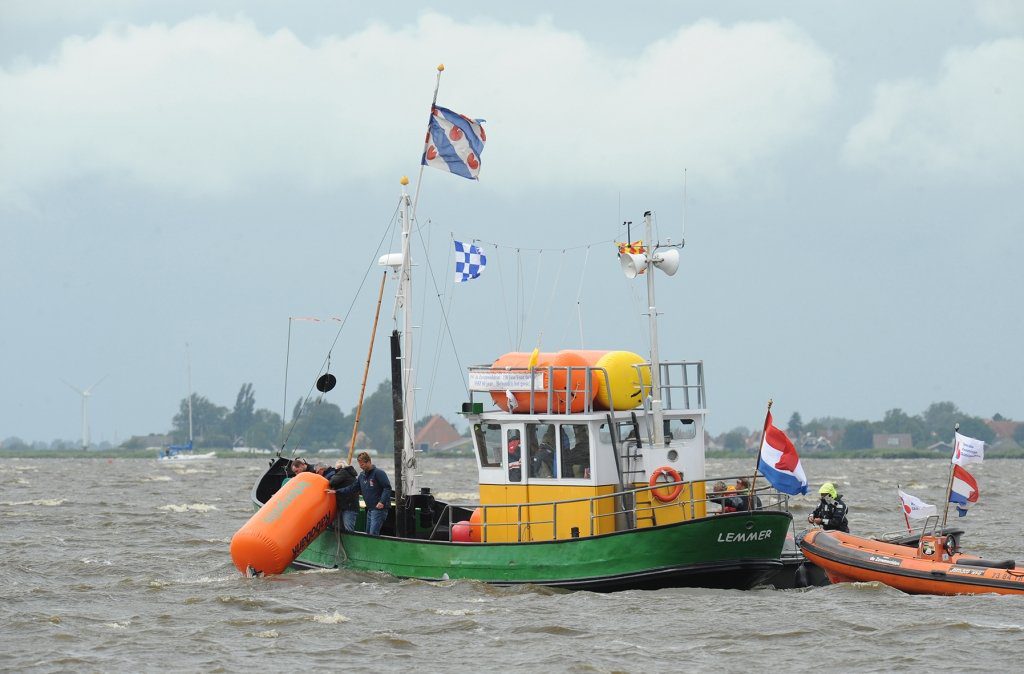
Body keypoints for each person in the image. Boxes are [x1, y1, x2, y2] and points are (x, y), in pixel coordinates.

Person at [334, 451, 393, 536]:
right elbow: (352, 488)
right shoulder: (362, 476)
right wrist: (337, 491)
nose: (361, 467)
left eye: (362, 464)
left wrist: (382, 502)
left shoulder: (379, 473)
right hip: (370, 509)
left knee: (373, 534)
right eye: (360, 465)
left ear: (368, 462)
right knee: (367, 534)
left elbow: (387, 488)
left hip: (379, 509)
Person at [326, 459, 360, 532]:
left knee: (348, 529)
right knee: (346, 528)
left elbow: (331, 482)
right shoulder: (350, 474)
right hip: (348, 505)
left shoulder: (343, 472)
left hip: (348, 506)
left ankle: (349, 543)